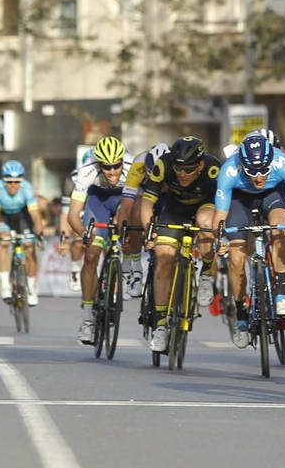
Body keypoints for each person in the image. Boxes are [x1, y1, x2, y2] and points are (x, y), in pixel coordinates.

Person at [211, 131, 285, 348]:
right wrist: (220, 240)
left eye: (264, 170)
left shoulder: (283, 163)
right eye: (253, 171)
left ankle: (280, 291)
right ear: (242, 164)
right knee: (236, 257)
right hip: (240, 200)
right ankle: (241, 312)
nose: (259, 177)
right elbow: (219, 217)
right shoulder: (229, 170)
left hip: (273, 196)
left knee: (281, 226)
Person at [135, 136, 220, 354]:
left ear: (200, 165)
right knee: (164, 258)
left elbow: (225, 203)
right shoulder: (163, 165)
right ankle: (161, 324)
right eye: (179, 168)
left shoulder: (213, 169)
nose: (182, 173)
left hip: (206, 205)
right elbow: (147, 202)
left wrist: (222, 234)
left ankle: (206, 275)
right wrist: (149, 231)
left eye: (189, 169)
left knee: (206, 223)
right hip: (175, 209)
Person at [67, 137, 130, 344]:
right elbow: (73, 214)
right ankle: (87, 320)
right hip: (98, 202)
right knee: (92, 255)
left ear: (122, 161)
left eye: (116, 166)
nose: (112, 171)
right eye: (107, 167)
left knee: (127, 223)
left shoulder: (133, 168)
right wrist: (84, 233)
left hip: (125, 199)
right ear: (99, 164)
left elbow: (147, 202)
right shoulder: (87, 171)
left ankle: (126, 268)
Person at [114, 141, 170, 298]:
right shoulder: (139, 163)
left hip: (167, 193)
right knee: (136, 210)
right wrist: (125, 234)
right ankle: (136, 269)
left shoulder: (175, 165)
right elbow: (125, 207)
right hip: (143, 192)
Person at [0, 158, 45, 306]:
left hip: (22, 216)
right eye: (9, 182)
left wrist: (39, 233)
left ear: (22, 180)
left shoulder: (27, 188)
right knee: (4, 243)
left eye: (17, 182)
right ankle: (5, 284)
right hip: (4, 217)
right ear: (3, 181)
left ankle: (31, 289)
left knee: (29, 246)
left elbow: (35, 214)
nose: (13, 186)